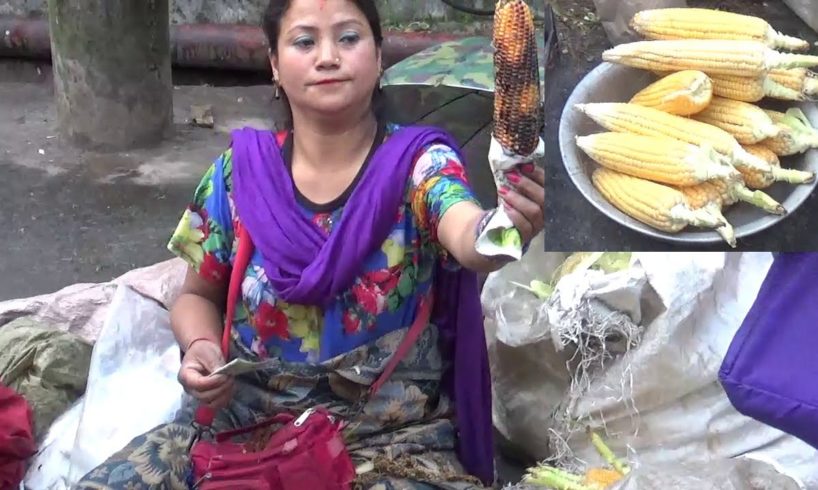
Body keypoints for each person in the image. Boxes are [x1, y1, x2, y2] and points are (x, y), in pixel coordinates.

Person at [76, 0, 545, 488]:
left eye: (348, 38)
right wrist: (199, 349)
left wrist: (507, 226)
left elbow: (469, 236)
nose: (328, 56)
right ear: (275, 65)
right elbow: (195, 296)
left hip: (385, 441)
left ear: (379, 57)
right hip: (245, 429)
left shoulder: (419, 164)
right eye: (304, 41)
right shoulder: (239, 174)